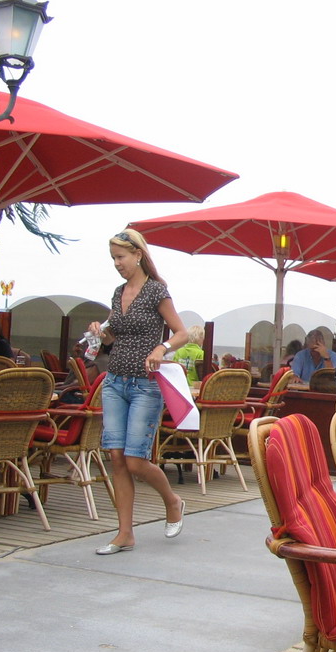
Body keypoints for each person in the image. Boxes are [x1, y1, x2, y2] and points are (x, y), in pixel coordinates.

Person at [90, 228, 188, 555]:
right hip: (115, 380)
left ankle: (172, 501)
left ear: (138, 255)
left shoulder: (156, 291)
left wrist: (161, 348)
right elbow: (112, 337)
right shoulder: (118, 293)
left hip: (146, 384)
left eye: (121, 257)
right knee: (116, 457)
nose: (117, 264)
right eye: (113, 258)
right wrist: (100, 334)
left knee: (134, 460)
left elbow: (181, 333)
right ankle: (124, 533)